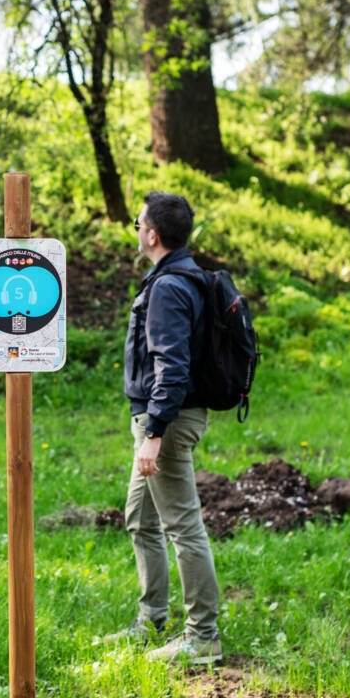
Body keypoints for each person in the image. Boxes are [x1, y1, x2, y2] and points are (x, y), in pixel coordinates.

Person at [103, 191, 222, 666]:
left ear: (152, 234)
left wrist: (153, 434)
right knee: (140, 518)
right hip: (159, 420)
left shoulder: (170, 288)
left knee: (183, 526)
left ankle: (203, 637)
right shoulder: (175, 278)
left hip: (166, 423)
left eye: (137, 224)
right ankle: (152, 618)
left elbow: (171, 368)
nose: (136, 230)